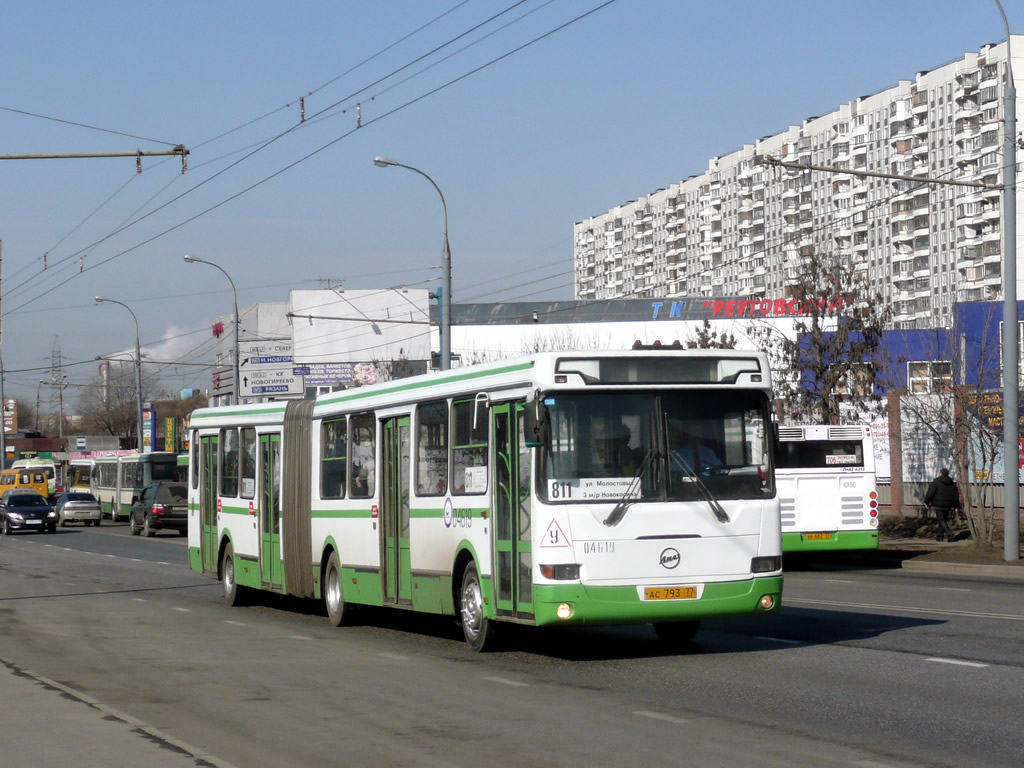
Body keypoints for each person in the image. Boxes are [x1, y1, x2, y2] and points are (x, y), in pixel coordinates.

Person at [924, 467, 960, 542]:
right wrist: (956, 506)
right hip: (948, 505)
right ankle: (939, 537)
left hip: (938, 504)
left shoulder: (936, 482)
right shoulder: (952, 483)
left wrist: (926, 502)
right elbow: (956, 496)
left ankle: (949, 532)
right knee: (943, 520)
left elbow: (930, 493)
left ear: (940, 473)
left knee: (941, 520)